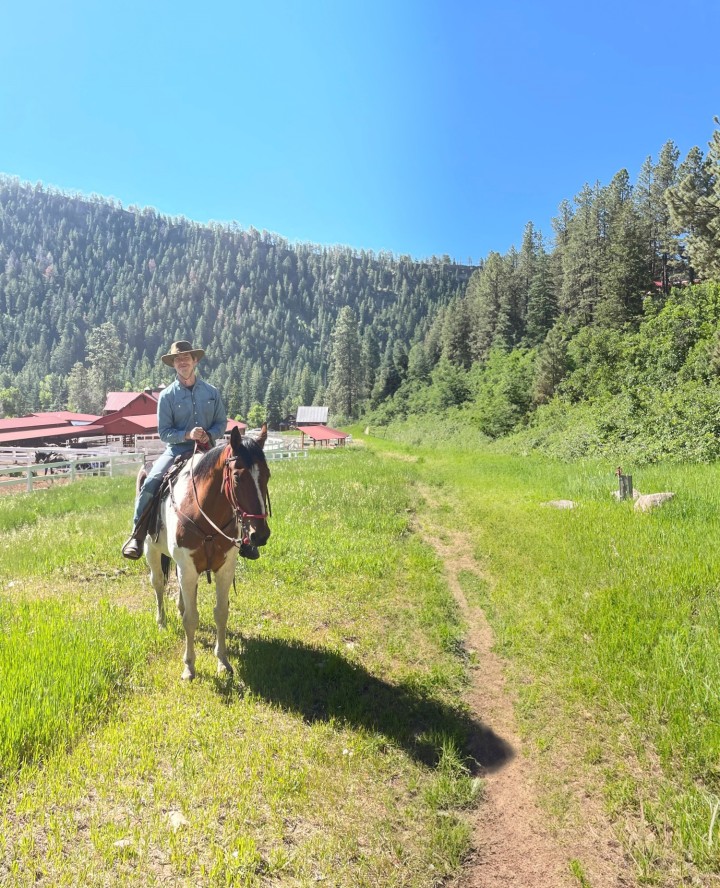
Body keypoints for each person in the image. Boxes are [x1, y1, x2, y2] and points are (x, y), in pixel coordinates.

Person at [121, 340, 228, 559]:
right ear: (173, 365)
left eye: (186, 358)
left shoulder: (211, 392)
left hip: (207, 451)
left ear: (195, 361)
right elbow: (164, 432)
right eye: (177, 359)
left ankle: (243, 537)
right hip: (177, 451)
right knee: (151, 483)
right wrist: (187, 435)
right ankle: (137, 535)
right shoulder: (167, 396)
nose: (182, 362)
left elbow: (221, 423)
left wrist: (210, 434)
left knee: (235, 481)